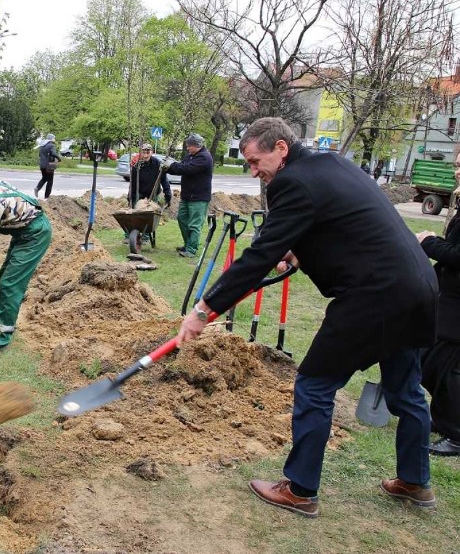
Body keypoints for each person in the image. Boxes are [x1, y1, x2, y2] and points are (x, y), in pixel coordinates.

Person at [177, 117, 438, 517]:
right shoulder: (332, 164)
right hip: (418, 286)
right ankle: (415, 482)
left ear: (281, 148)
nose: (253, 171)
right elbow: (343, 225)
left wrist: (205, 309)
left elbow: (260, 254)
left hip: (373, 297)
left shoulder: (290, 183)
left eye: (254, 160)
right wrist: (300, 251)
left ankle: (300, 490)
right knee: (406, 392)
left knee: (315, 385)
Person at [0, 177, 52, 354]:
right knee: (5, 275)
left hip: (34, 234)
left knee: (10, 284)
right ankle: (2, 323)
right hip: (26, 230)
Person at [415, 152, 460, 456]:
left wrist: (429, 242)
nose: (456, 170)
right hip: (450, 296)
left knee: (447, 366)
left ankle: (456, 433)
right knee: (429, 359)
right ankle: (442, 418)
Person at [166, 133, 213, 258]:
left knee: (195, 224)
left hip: (199, 198)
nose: (187, 148)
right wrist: (167, 168)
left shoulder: (204, 157)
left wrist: (171, 164)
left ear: (196, 145)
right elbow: (180, 168)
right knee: (182, 219)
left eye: (189, 146)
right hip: (186, 196)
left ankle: (191, 249)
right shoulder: (190, 156)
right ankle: (187, 244)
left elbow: (187, 169)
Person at [128, 143, 172, 210]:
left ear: (152, 152)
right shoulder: (136, 166)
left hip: (154, 194)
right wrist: (130, 198)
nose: (145, 155)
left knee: (152, 213)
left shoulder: (158, 164)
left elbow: (164, 181)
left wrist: (168, 196)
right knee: (138, 214)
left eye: (148, 152)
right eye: (143, 152)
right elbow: (132, 184)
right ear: (141, 153)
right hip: (140, 195)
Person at [35, 133, 60, 199]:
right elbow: (54, 153)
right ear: (51, 139)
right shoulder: (51, 145)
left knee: (44, 178)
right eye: (54, 138)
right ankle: (46, 197)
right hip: (49, 165)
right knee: (50, 181)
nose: (55, 139)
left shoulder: (42, 145)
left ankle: (37, 188)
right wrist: (59, 158)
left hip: (42, 165)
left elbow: (40, 155)